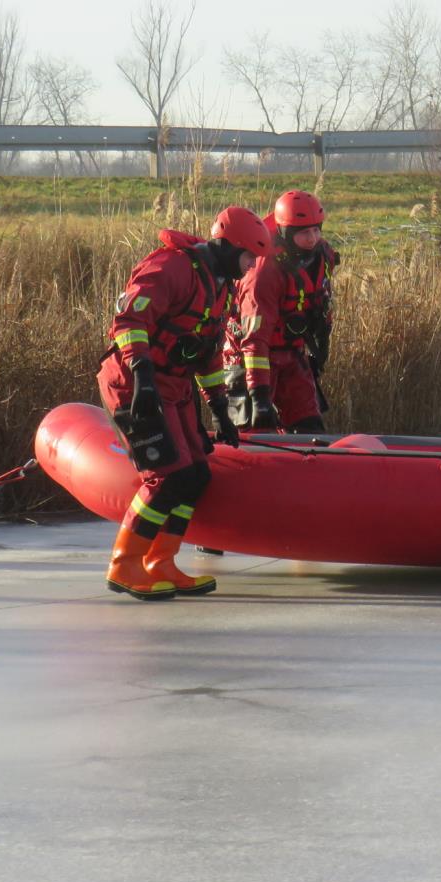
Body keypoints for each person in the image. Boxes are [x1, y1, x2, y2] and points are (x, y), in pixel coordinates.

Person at [97, 206, 271, 600]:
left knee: (196, 477)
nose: (250, 267)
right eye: (247, 257)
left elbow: (206, 353)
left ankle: (161, 562)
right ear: (226, 246)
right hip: (133, 384)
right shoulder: (172, 268)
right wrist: (141, 375)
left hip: (173, 388)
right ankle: (124, 565)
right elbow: (128, 321)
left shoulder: (221, 284)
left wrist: (220, 407)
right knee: (167, 477)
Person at [224, 189, 338, 433]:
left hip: (291, 353)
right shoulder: (263, 271)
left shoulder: (322, 255)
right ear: (286, 233)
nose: (312, 238)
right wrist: (259, 396)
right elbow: (254, 339)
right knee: (255, 433)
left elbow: (323, 302)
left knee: (310, 427)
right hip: (249, 359)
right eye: (304, 233)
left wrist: (321, 347)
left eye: (316, 230)